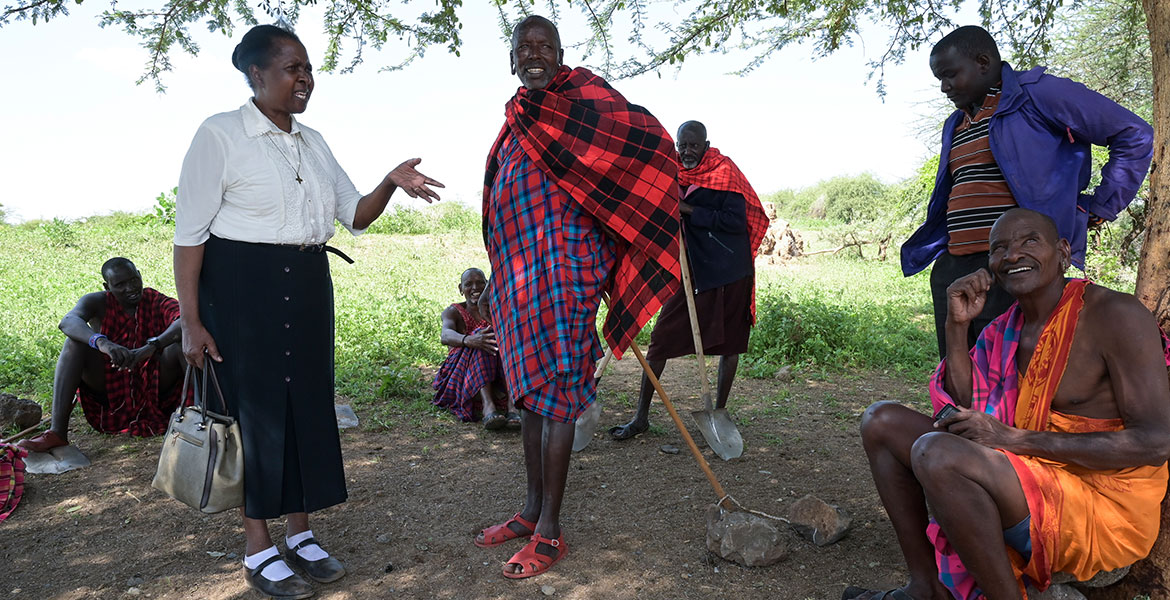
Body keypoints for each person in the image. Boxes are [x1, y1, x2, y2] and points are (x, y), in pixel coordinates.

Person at [174, 23, 443, 599]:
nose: (306, 79)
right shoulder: (220, 134)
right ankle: (258, 548)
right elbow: (189, 236)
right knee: (255, 412)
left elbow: (356, 214)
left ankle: (300, 534)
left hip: (308, 281)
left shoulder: (313, 141)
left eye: (309, 68)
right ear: (257, 74)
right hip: (242, 287)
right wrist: (191, 323)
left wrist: (390, 182)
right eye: (293, 68)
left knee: (305, 404)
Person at [849, 208, 1170, 600]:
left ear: (1063, 252)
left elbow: (1156, 442)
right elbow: (968, 406)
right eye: (999, 248)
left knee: (937, 453)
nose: (1012, 254)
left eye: (1029, 241)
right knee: (880, 421)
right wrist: (957, 326)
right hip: (1022, 475)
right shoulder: (1006, 327)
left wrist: (1014, 439)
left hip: (1100, 505)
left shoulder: (1115, 315)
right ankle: (926, 586)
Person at [474, 15, 680, 579]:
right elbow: (500, 206)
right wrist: (496, 278)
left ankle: (550, 531)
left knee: (559, 396)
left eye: (545, 46)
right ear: (511, 60)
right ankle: (530, 510)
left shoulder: (585, 104)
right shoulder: (513, 125)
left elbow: (650, 143)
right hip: (518, 281)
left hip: (568, 274)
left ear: (561, 54)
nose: (534, 54)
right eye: (524, 47)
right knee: (529, 398)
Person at [900, 25, 1153, 359]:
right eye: (939, 79)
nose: (944, 87)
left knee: (1017, 375)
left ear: (983, 62)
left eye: (950, 75)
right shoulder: (955, 123)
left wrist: (1101, 206)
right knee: (957, 372)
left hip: (1015, 268)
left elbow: (1134, 134)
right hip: (954, 269)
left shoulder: (1038, 94)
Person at [610, 121, 768, 440]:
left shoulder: (724, 172)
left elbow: (736, 221)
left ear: (706, 145)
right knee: (660, 341)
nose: (687, 152)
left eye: (693, 145)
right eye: (682, 145)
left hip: (730, 270)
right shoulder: (671, 172)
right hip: (691, 271)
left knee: (730, 345)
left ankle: (718, 414)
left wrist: (688, 209)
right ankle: (640, 417)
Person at [18, 257, 184, 452]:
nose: (130, 288)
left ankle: (200, 417)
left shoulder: (155, 300)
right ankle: (57, 433)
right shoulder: (96, 302)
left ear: (140, 276)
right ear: (107, 287)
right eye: (120, 285)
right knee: (74, 344)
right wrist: (103, 343)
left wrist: (151, 347)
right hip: (110, 386)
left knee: (184, 340)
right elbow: (68, 321)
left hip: (154, 384)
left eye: (133, 280)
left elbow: (184, 319)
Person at [432, 267, 519, 430]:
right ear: (461, 289)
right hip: (462, 372)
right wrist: (470, 340)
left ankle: (512, 405)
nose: (475, 288)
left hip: (496, 369)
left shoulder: (494, 309)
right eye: (468, 284)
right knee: (481, 336)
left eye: (480, 283)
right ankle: (488, 406)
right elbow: (445, 335)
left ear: (487, 286)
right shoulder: (454, 311)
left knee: (494, 338)